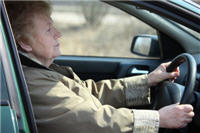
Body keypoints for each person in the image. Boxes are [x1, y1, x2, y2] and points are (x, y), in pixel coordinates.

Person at [5, 1, 194, 133]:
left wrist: (148, 81)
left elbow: (91, 92)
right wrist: (158, 119)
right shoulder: (31, 83)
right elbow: (91, 120)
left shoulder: (43, 71)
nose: (58, 34)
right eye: (48, 30)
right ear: (24, 43)